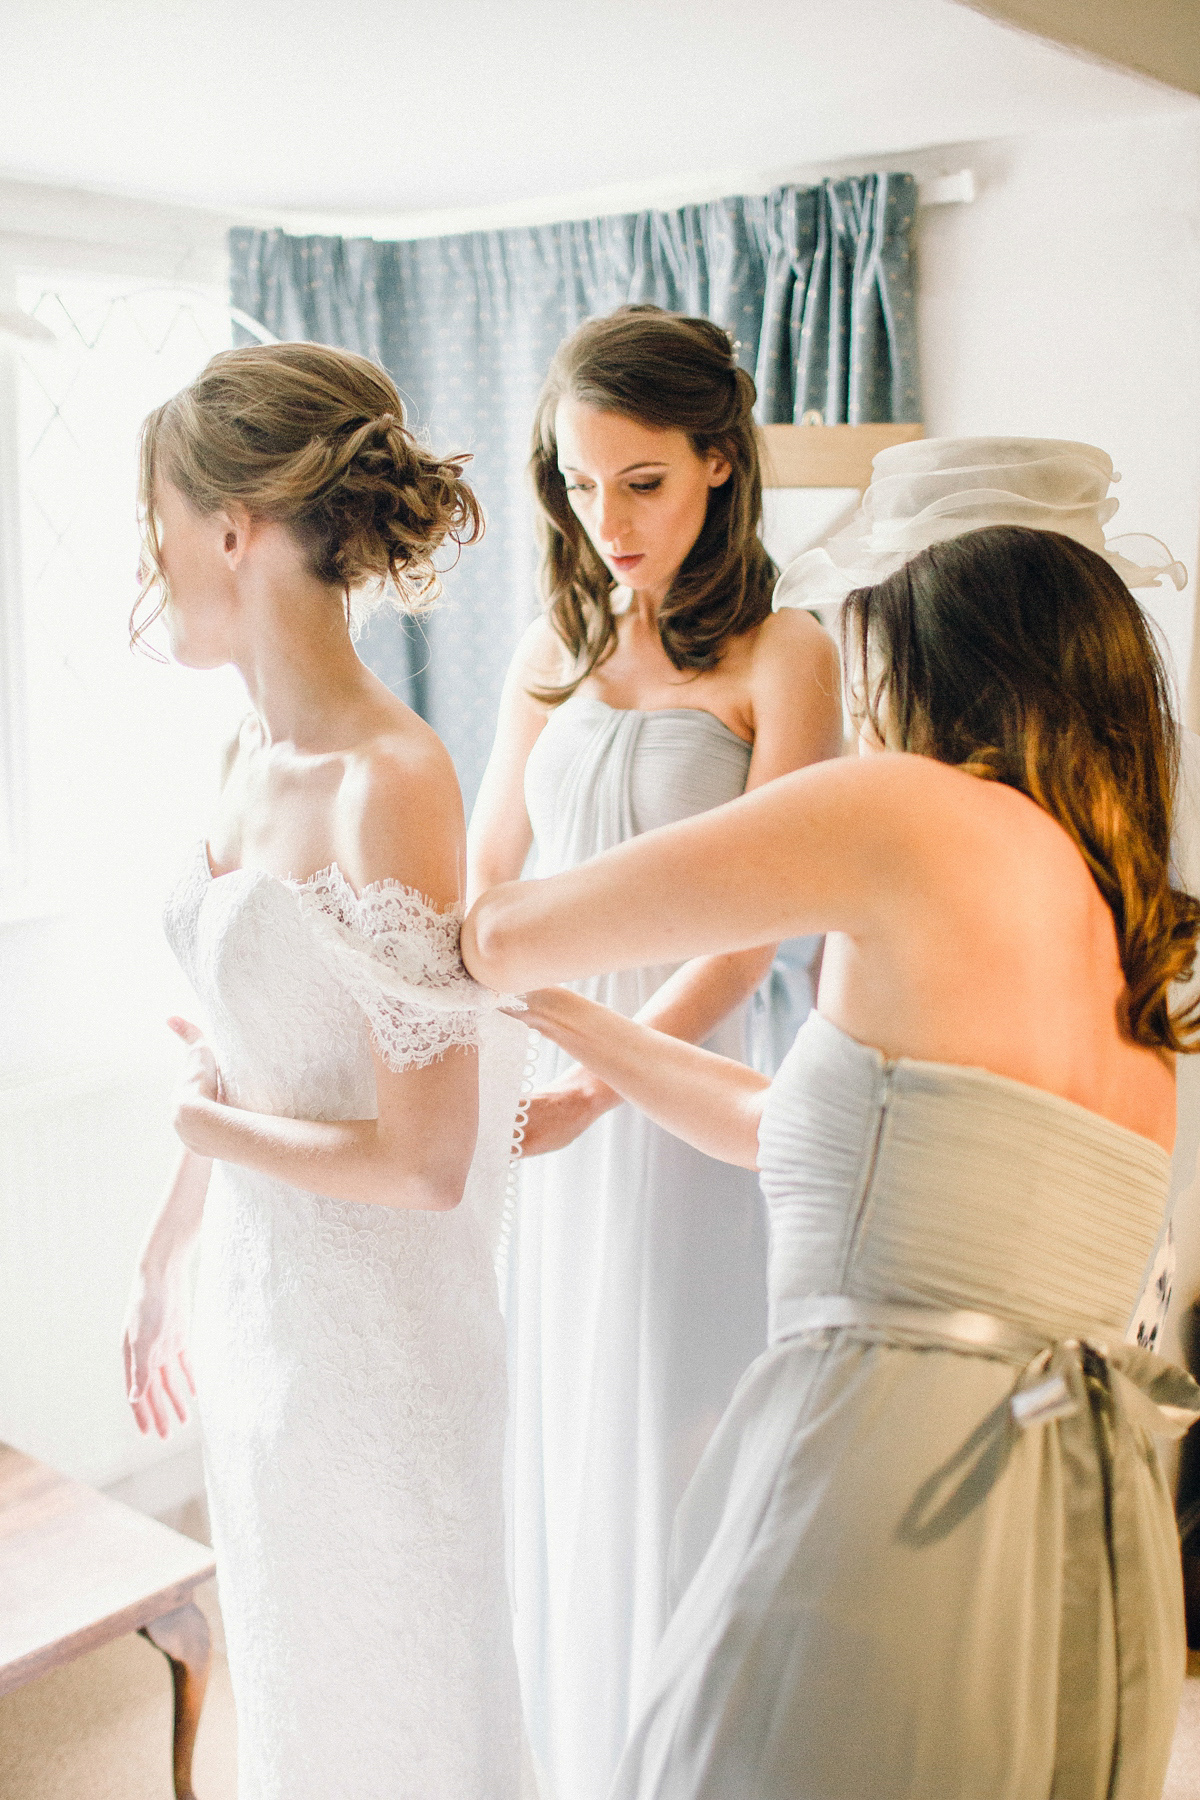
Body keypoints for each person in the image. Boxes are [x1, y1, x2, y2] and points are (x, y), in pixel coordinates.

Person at [464, 508, 1200, 1798]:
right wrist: (590, 1046)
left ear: (942, 689)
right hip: (1083, 1514)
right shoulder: (1127, 951)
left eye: (870, 698)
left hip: (898, 1479)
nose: (861, 733)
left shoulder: (917, 811)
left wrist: (459, 928)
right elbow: (796, 1139)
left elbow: (513, 930)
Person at [120, 342, 525, 1800]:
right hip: (262, 1309)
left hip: (384, 1351)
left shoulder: (389, 783)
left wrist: (208, 1130)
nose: (149, 556)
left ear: (232, 528)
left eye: (157, 518)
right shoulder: (243, 753)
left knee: (399, 1702)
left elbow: (424, 1160)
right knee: (299, 1695)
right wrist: (168, 1249)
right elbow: (250, 1051)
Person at [467, 304, 843, 1799]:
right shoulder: (550, 645)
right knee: (562, 1424)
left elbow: (760, 925)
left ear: (717, 467)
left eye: (644, 481)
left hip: (684, 1098)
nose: (605, 519)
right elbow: (489, 879)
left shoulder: (785, 651)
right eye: (577, 482)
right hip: (548, 1085)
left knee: (680, 1425)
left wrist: (604, 1077)